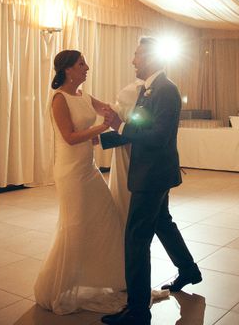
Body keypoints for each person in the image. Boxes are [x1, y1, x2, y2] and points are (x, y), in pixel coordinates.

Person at [101, 37, 201, 325]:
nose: (133, 60)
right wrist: (101, 138)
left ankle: (137, 311)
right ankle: (188, 270)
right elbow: (138, 128)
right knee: (161, 223)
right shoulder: (150, 90)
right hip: (155, 172)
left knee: (135, 239)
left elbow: (157, 136)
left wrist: (118, 125)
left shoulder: (166, 90)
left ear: (152, 59)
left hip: (151, 174)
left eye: (137, 55)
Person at [33, 50, 126, 315]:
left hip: (89, 168)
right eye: (81, 64)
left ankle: (107, 276)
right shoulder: (59, 99)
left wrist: (123, 110)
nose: (87, 67)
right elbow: (70, 137)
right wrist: (100, 129)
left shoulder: (83, 95)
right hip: (71, 172)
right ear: (67, 70)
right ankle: (59, 286)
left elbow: (107, 108)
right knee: (74, 226)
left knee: (107, 216)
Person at [108, 79, 144, 224]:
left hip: (138, 157)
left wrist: (100, 137)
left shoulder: (135, 91)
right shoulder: (135, 89)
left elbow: (138, 132)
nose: (133, 61)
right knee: (161, 219)